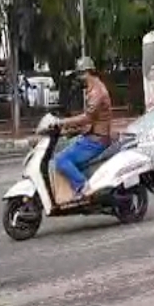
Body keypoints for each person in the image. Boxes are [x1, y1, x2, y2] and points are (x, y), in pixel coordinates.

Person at [54, 57, 113, 200]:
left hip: (97, 140)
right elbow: (90, 121)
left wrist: (63, 122)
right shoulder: (91, 89)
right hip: (92, 136)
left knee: (60, 160)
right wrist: (69, 132)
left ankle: (82, 186)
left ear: (88, 72)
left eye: (81, 74)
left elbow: (87, 118)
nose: (80, 78)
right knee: (64, 150)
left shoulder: (97, 92)